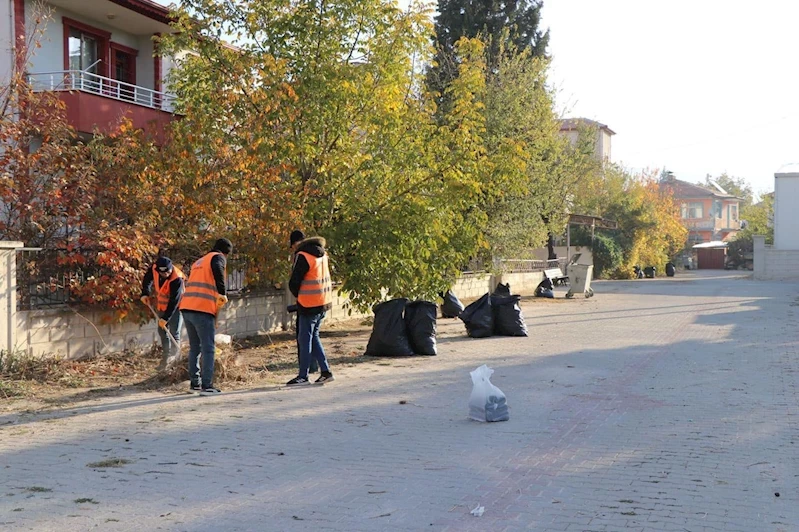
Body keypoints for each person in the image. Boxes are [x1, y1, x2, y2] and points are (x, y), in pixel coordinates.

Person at [179, 238, 232, 395]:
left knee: (195, 347)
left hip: (187, 307)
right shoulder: (217, 258)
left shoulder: (199, 262)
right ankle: (207, 386)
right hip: (202, 309)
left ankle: (195, 383)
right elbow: (218, 271)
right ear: (225, 252)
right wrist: (222, 293)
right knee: (209, 348)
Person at [286, 230, 334, 386]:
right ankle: (325, 371)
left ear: (295, 244)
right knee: (314, 337)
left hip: (309, 303)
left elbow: (294, 282)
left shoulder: (303, 255)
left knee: (305, 339)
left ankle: (303, 376)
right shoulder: (322, 253)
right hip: (323, 301)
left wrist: (299, 297)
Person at [140, 256, 185, 370]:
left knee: (174, 333)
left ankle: (175, 362)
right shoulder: (155, 268)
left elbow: (174, 300)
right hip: (162, 306)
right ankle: (165, 361)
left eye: (167, 272)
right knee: (162, 331)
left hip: (176, 308)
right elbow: (147, 279)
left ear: (171, 268)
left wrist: (165, 318)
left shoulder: (177, 278)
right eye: (162, 273)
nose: (165, 275)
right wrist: (145, 293)